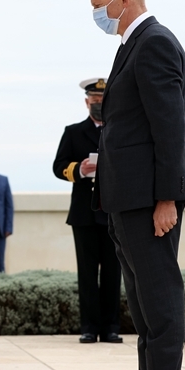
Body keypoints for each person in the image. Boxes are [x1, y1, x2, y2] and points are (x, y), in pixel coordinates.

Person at [89, 0, 185, 370]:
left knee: (159, 298)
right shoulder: (130, 46)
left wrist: (166, 199)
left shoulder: (154, 42)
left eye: (99, 5)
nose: (97, 15)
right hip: (124, 198)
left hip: (149, 201)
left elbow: (169, 127)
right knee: (142, 301)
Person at [53, 78, 122, 345]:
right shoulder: (73, 132)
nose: (98, 105)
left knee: (113, 273)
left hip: (112, 213)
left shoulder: (120, 130)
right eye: (94, 101)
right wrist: (80, 169)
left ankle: (111, 328)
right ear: (86, 102)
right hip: (83, 214)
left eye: (102, 101)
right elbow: (58, 166)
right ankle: (89, 328)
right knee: (87, 273)